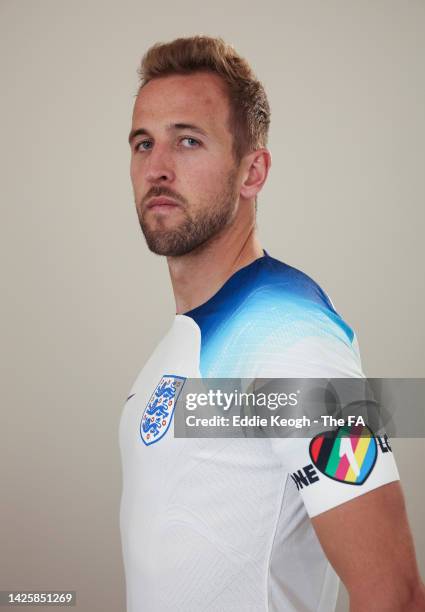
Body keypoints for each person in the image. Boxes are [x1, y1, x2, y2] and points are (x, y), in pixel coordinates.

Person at [120, 36, 425, 611]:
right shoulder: (181, 341)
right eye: (143, 143)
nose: (156, 168)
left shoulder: (291, 338)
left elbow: (394, 594)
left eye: (188, 140)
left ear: (252, 172)